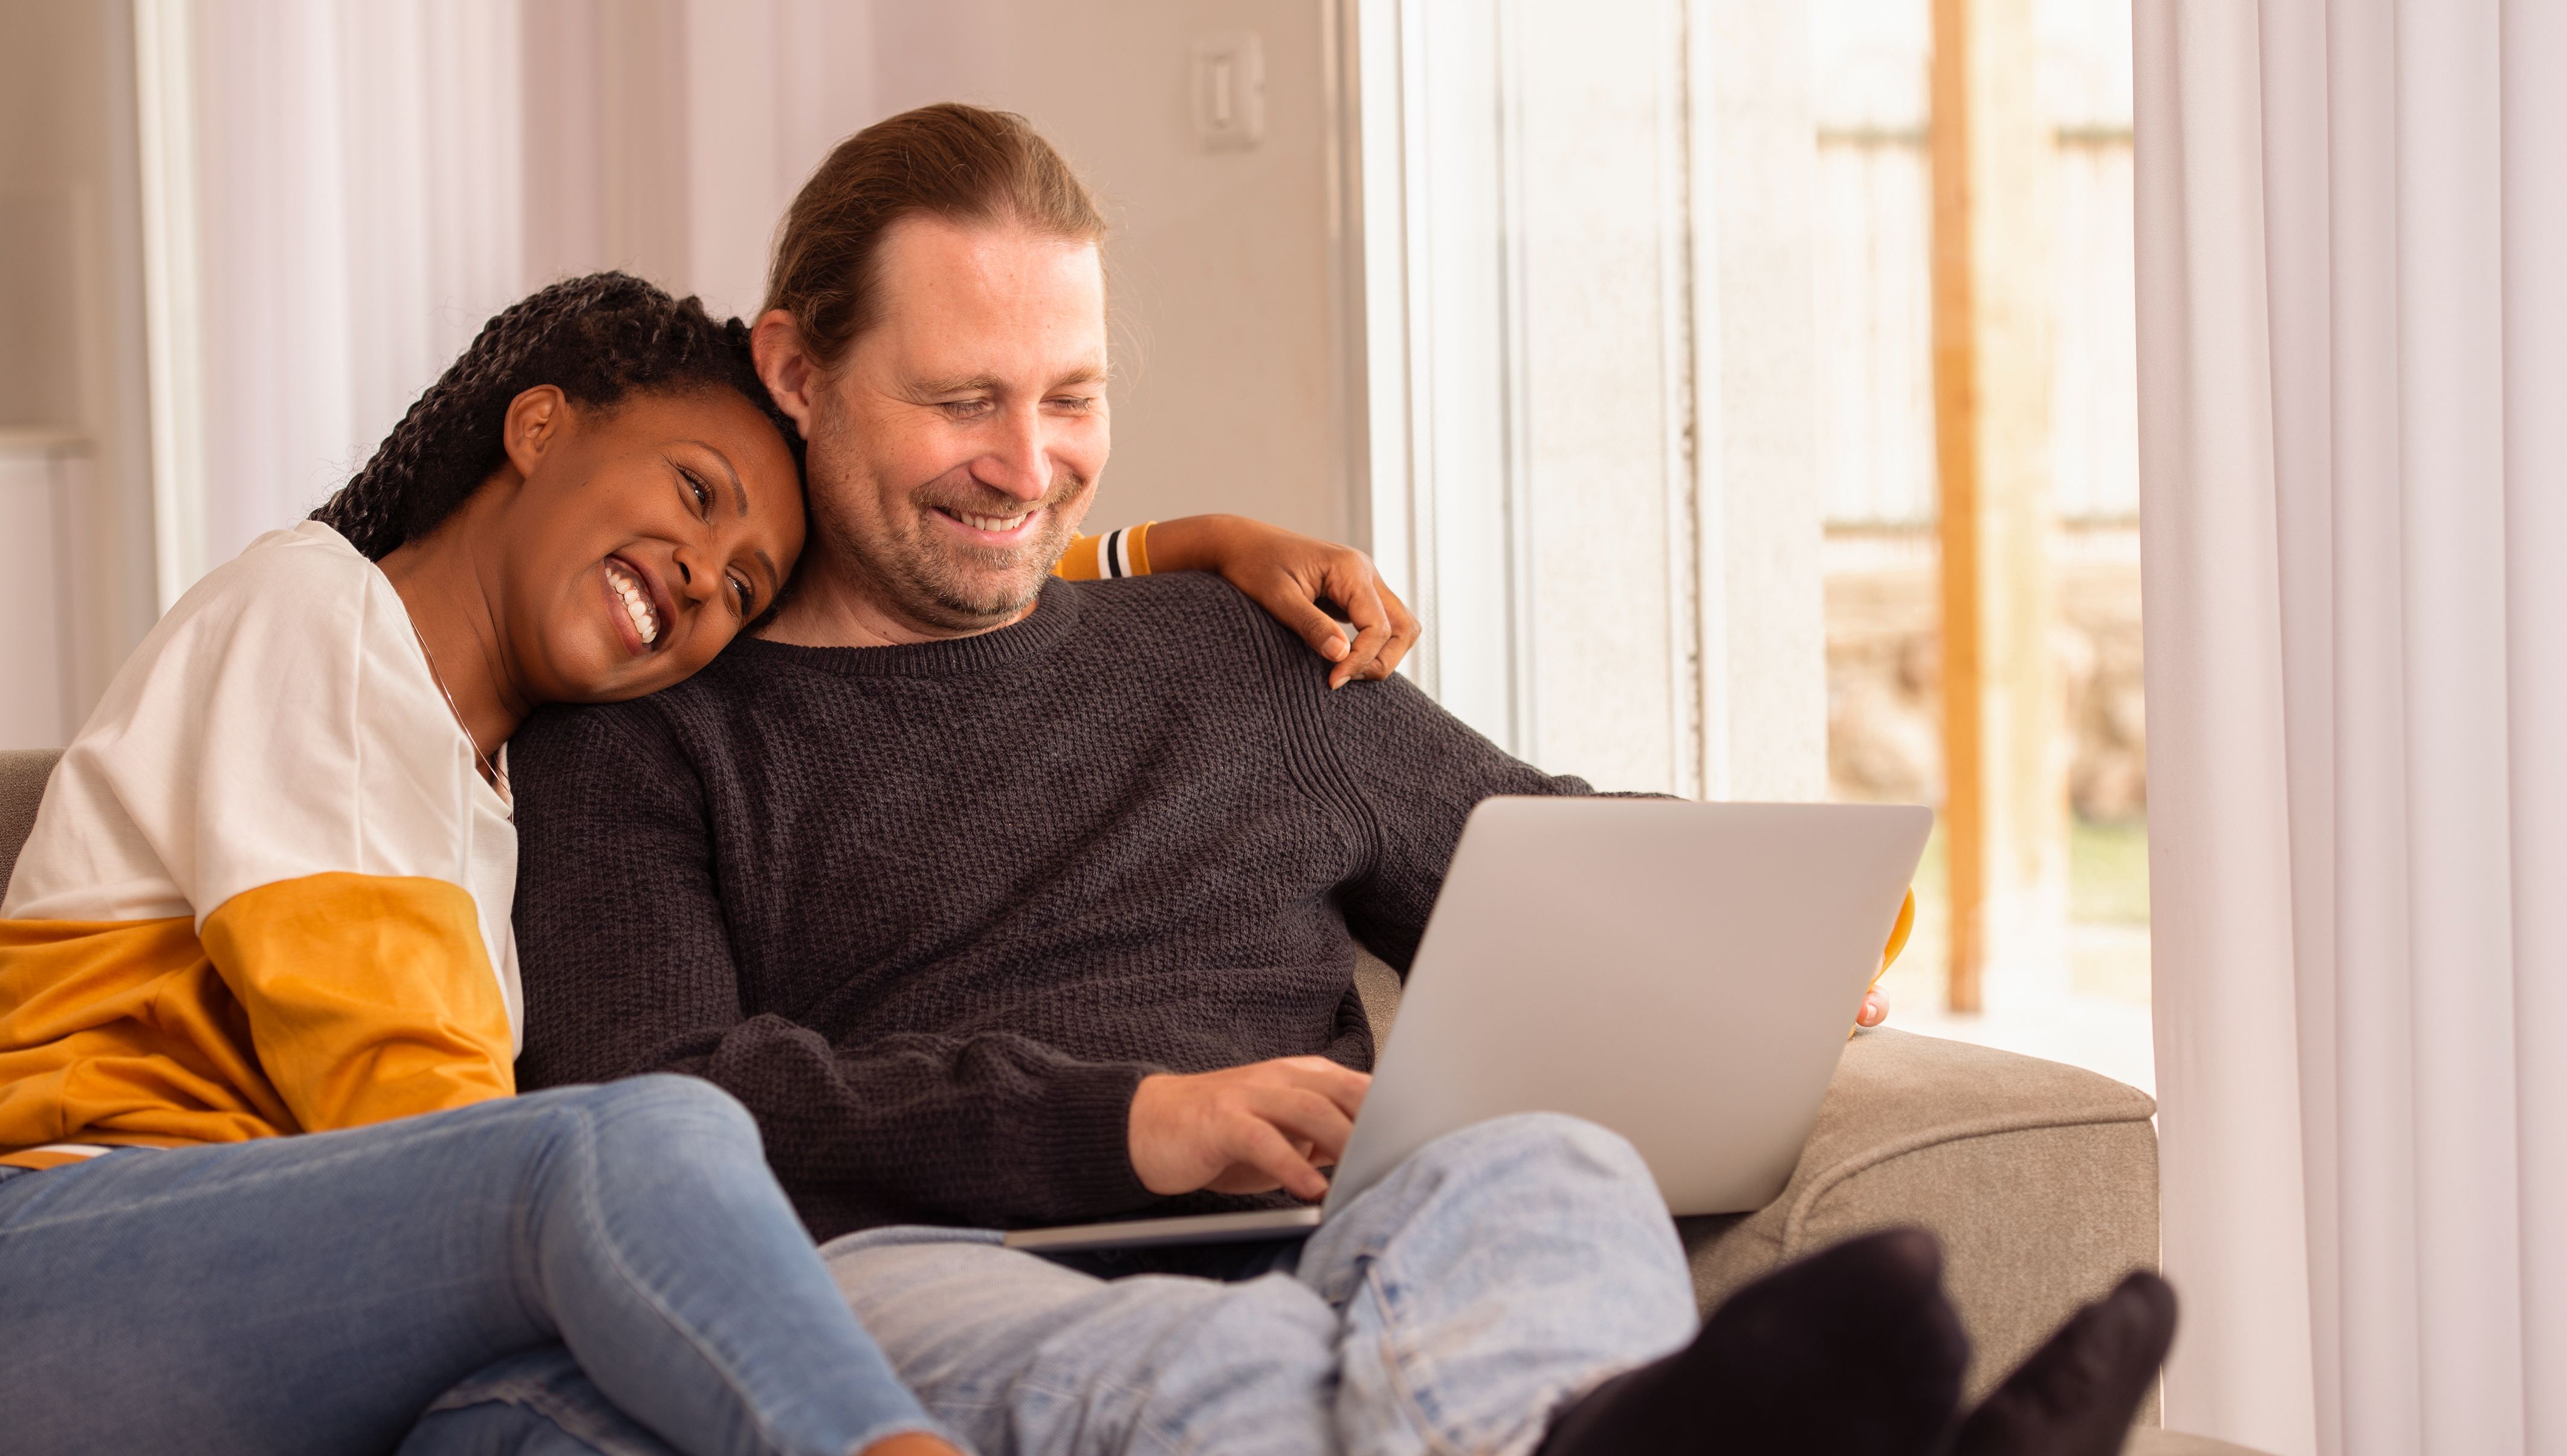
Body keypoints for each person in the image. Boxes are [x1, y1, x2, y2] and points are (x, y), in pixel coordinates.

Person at [506, 106, 2178, 1456]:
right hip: (929, 1265)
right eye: (963, 402)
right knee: (1238, 1372)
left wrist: (1774, 945)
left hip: (1360, 1228)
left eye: (1072, 397)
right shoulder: (652, 725)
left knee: (1560, 1178)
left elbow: (1534, 850)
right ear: (798, 371)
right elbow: (653, 1119)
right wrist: (1137, 1125)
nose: (1030, 467)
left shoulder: (1238, 654)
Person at [0, 270, 1423, 1456]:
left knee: (566, 1436)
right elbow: (415, 1112)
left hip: (286, 1356)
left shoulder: (530, 770)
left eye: (743, 580)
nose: (706, 578)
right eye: (692, 493)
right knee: (632, 1147)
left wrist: (1174, 549)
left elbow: (899, 584)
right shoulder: (311, 619)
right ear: (539, 428)